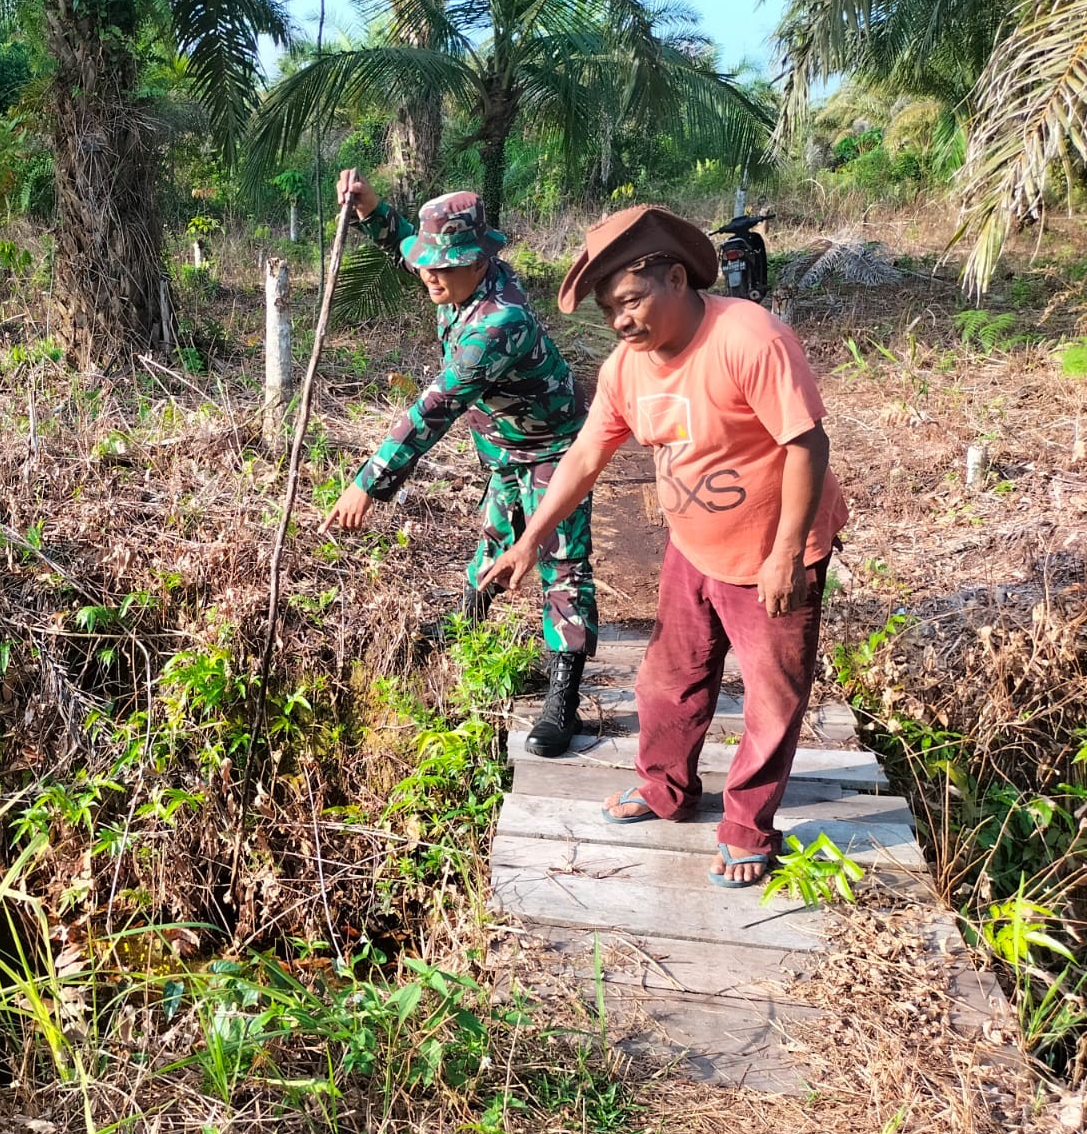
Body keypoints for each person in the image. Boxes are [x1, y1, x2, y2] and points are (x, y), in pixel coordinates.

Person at [481, 204, 848, 889]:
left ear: (675, 277)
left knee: (771, 698)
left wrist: (786, 554)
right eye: (609, 311)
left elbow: (806, 443)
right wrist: (530, 540)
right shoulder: (628, 368)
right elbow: (587, 453)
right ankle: (664, 787)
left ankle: (747, 825)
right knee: (666, 681)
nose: (622, 321)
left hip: (774, 552)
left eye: (630, 301)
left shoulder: (750, 339)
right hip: (693, 546)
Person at [320, 168, 598, 756]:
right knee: (497, 532)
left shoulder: (500, 322)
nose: (429, 275)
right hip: (502, 441)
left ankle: (564, 693)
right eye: (429, 264)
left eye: (443, 267)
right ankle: (468, 620)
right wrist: (373, 209)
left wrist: (369, 483)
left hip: (553, 446)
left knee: (561, 559)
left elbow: (435, 407)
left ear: (478, 262)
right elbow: (408, 251)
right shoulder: (460, 277)